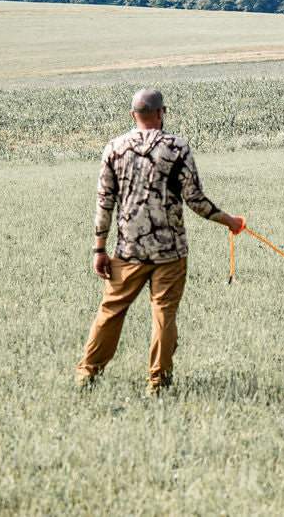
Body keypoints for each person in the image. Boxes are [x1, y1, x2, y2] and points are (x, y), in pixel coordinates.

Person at [77, 88, 244, 393]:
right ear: (160, 113)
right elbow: (195, 200)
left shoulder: (113, 149)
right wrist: (230, 221)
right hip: (170, 252)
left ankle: (87, 374)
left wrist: (99, 248)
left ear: (133, 116)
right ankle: (159, 382)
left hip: (127, 250)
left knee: (110, 312)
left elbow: (105, 202)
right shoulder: (177, 148)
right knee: (163, 316)